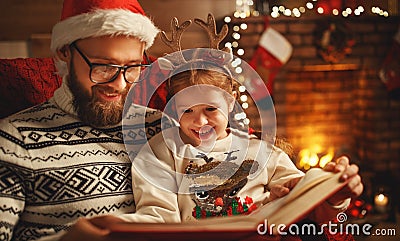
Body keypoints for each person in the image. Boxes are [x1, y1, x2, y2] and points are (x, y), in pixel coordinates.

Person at [128, 54, 364, 228]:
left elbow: (305, 197)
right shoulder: (163, 150)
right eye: (187, 110)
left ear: (230, 103)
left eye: (211, 108)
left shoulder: (259, 150)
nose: (200, 121)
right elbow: (157, 215)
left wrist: (332, 190)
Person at [0, 0, 168, 240]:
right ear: (64, 52)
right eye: (102, 67)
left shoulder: (165, 130)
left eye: (132, 68)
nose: (119, 85)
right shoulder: (14, 140)